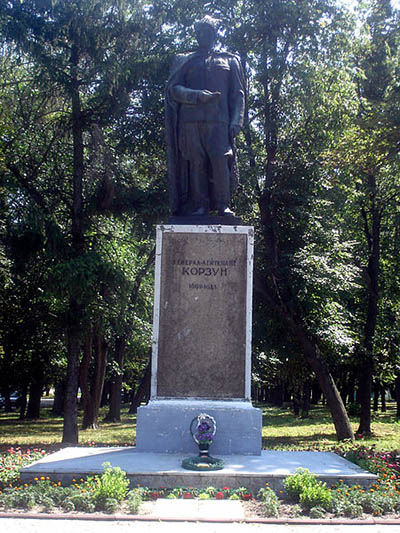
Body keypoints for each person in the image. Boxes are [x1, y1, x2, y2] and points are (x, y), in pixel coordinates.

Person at [166, 16, 245, 217]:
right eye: (199, 32)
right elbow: (173, 90)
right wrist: (196, 96)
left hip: (219, 122)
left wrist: (237, 120)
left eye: (207, 31)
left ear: (214, 34)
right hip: (190, 121)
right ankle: (199, 205)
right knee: (196, 163)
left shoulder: (229, 60)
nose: (203, 36)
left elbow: (238, 94)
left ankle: (223, 204)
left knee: (220, 161)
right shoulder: (185, 60)